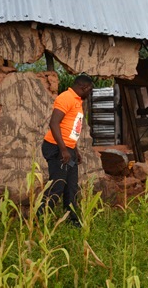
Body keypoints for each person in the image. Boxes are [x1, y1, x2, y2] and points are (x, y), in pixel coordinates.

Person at [40, 74, 94, 226]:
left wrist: (74, 150)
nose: (90, 93)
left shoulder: (77, 101)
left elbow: (70, 128)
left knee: (71, 185)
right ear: (84, 87)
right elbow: (54, 123)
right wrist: (63, 150)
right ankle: (39, 219)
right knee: (57, 185)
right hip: (56, 148)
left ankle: (72, 220)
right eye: (90, 90)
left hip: (67, 149)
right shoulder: (66, 98)